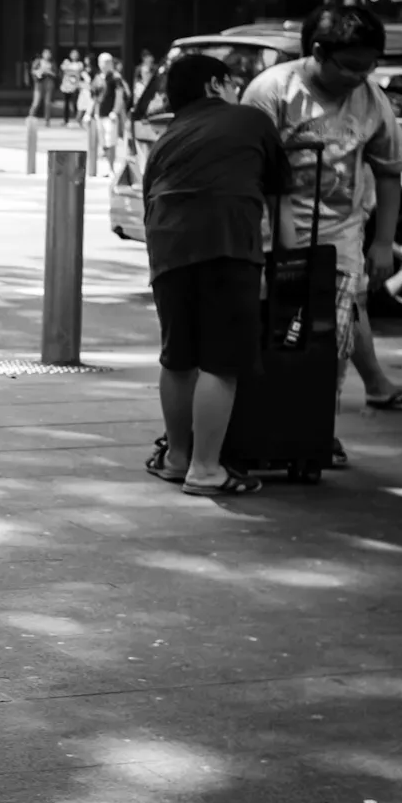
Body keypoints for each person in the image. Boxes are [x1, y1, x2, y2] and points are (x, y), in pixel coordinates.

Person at [243, 5, 402, 467]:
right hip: (269, 236)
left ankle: (314, 426)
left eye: (370, 67)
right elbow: (249, 167)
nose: (361, 77)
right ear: (317, 52)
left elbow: (389, 171)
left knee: (329, 338)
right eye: (351, 66)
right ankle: (274, 424)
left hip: (339, 240)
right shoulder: (272, 91)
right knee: (276, 336)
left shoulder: (371, 99)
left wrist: (382, 243)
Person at [142, 54, 289, 496]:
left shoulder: (167, 138)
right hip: (226, 243)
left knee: (178, 356)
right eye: (231, 82)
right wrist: (289, 260)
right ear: (214, 85)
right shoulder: (250, 120)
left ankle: (177, 457)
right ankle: (206, 469)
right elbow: (279, 200)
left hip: (167, 247)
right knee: (222, 362)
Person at [29, 48, 56, 125]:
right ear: (43, 54)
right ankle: (31, 117)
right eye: (45, 53)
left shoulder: (52, 63)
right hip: (39, 83)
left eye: (49, 53)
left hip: (49, 83)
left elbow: (55, 74)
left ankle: (47, 120)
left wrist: (48, 71)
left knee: (47, 102)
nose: (47, 55)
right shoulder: (38, 61)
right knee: (36, 102)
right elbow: (32, 71)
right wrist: (39, 72)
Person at [59, 49, 85, 123]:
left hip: (76, 86)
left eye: (76, 54)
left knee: (75, 103)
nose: (74, 56)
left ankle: (77, 119)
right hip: (66, 86)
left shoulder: (80, 64)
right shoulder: (66, 62)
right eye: (73, 54)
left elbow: (81, 73)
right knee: (66, 103)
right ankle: (65, 120)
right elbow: (62, 70)